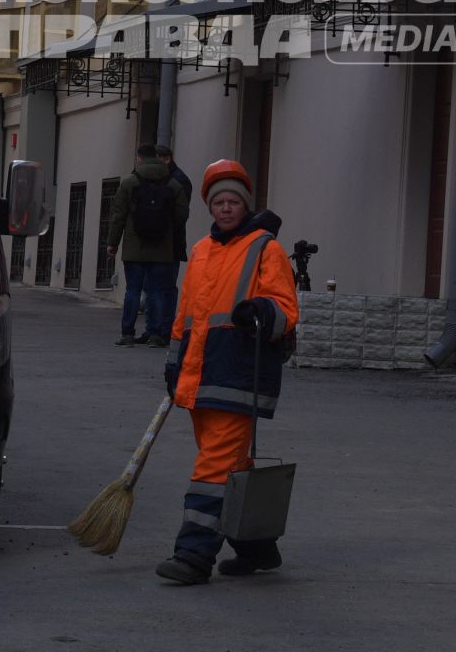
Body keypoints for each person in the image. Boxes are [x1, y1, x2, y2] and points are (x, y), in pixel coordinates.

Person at [155, 159, 300, 586]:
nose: (225, 207)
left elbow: (286, 309)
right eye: (217, 201)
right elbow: (186, 316)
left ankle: (193, 555)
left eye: (233, 200)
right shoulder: (200, 251)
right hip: (199, 377)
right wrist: (173, 361)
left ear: (245, 204)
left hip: (238, 375)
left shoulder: (264, 248)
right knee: (231, 467)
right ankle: (256, 547)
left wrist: (261, 309)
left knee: (215, 466)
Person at [106, 145, 187, 348]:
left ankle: (127, 333)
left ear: (139, 159)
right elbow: (182, 215)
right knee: (157, 291)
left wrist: (112, 243)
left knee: (132, 290)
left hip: (135, 247)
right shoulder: (174, 184)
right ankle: (157, 335)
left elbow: (118, 216)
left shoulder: (129, 183)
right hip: (162, 248)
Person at [155, 144, 196, 264]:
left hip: (170, 242)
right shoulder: (169, 177)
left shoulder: (177, 180)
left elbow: (179, 214)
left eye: (156, 159)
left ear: (167, 159)